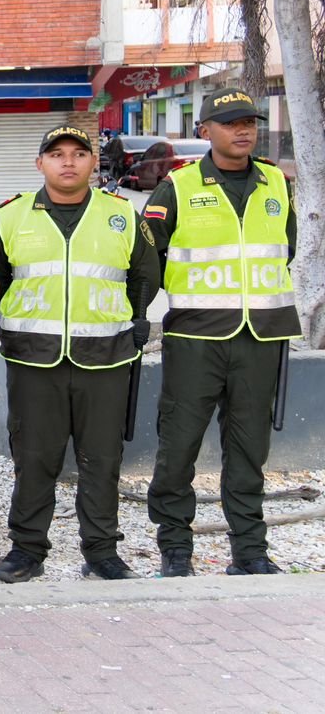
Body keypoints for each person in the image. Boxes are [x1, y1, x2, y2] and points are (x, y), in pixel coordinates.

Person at [0, 126, 159, 584]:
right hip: (33, 359)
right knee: (34, 458)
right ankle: (26, 550)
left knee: (102, 459)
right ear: (39, 163)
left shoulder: (121, 214)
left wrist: (131, 318)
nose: (68, 162)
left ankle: (102, 552)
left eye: (79, 154)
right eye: (57, 154)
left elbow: (145, 276)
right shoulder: (11, 216)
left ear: (93, 163)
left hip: (106, 359)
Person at [145, 86, 301, 577]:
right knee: (179, 447)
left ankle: (250, 552)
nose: (243, 131)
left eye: (249, 122)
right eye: (231, 123)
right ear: (205, 130)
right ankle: (175, 550)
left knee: (250, 450)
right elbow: (148, 259)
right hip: (196, 338)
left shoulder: (276, 183)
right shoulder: (178, 186)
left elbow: (286, 248)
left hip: (261, 337)